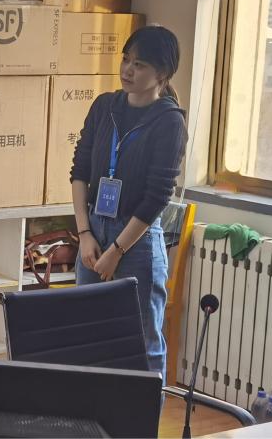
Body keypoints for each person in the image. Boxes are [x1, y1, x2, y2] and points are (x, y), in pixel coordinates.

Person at [70, 25, 186, 381]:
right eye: (126, 60)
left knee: (143, 342)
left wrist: (117, 250)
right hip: (93, 229)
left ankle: (143, 415)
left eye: (140, 64)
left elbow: (157, 197)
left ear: (162, 74)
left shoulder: (169, 122)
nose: (128, 70)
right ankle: (91, 410)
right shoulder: (104, 106)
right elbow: (79, 170)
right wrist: (84, 233)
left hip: (136, 240)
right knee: (86, 334)